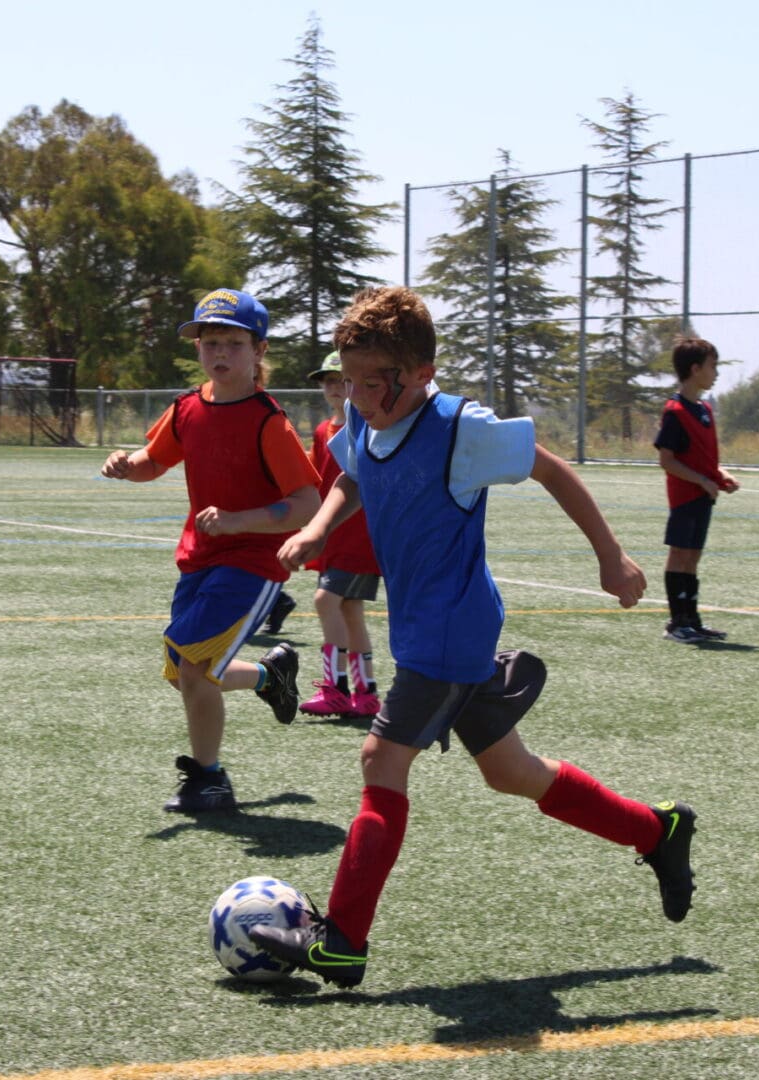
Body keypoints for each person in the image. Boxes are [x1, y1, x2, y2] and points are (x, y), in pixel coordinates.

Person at [249, 286, 696, 988]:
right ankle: (657, 831)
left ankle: (342, 941)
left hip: (452, 632)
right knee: (511, 773)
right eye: (352, 380)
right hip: (430, 627)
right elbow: (352, 475)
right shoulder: (364, 418)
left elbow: (551, 469)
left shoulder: (462, 430)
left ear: (423, 374)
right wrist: (315, 528)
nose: (361, 396)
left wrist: (611, 557)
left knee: (379, 759)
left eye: (376, 383)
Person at [100, 288, 321, 813]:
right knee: (187, 667)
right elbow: (154, 460)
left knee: (195, 667)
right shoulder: (187, 409)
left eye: (232, 343)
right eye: (209, 342)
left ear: (258, 351)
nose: (219, 352)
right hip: (198, 557)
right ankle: (271, 674)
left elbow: (308, 502)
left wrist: (241, 521)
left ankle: (210, 778)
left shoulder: (270, 422)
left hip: (252, 563)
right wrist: (127, 464)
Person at [298, 351, 383, 720]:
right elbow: (317, 485)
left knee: (324, 601)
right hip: (335, 538)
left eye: (341, 379)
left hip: (361, 539)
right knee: (350, 611)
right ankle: (365, 694)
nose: (334, 387)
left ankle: (336, 688)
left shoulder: (368, 428)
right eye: (328, 380)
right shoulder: (322, 431)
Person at [653, 337, 740, 643]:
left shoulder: (703, 409)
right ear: (695, 369)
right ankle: (677, 624)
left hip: (704, 496)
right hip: (685, 498)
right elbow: (667, 460)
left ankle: (692, 619)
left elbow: (703, 459)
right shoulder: (675, 411)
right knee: (680, 555)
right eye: (712, 366)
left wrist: (720, 476)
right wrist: (701, 481)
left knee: (693, 558)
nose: (716, 372)